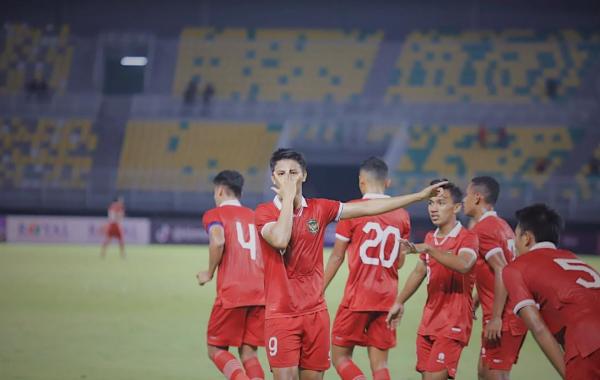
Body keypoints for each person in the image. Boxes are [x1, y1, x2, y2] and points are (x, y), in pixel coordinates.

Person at [254, 148, 447, 380]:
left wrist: (417, 196)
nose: (288, 179)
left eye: (293, 173)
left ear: (304, 175)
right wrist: (287, 201)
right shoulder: (264, 212)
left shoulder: (320, 208)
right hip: (282, 316)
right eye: (281, 174)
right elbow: (280, 238)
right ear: (273, 178)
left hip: (316, 314)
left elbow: (367, 208)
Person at [323, 157, 411, 380]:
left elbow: (336, 257)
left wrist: (318, 289)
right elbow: (399, 262)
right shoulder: (402, 215)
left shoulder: (352, 209)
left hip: (358, 297)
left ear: (361, 182)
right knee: (380, 365)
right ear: (387, 183)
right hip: (387, 299)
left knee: (340, 357)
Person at [387, 180, 479, 380]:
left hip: (453, 323)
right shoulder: (431, 237)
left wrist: (428, 249)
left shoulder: (467, 238)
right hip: (429, 321)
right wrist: (399, 301)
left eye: (441, 202)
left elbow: (464, 264)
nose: (434, 209)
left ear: (456, 207)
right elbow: (419, 272)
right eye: (430, 203)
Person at [503, 204, 600, 380]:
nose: (515, 244)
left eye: (515, 237)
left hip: (588, 341)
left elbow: (537, 327)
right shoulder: (571, 257)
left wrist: (569, 375)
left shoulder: (516, 268)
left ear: (526, 238)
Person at [197, 170, 265, 380]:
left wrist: (209, 272)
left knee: (216, 349)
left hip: (233, 291)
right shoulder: (255, 216)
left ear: (220, 191)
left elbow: (217, 240)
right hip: (261, 292)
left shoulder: (214, 214)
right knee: (248, 352)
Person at [463, 176, 527, 380]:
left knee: (493, 374)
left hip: (504, 316)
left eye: (467, 195)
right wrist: (476, 300)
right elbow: (499, 269)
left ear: (477, 197)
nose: (464, 200)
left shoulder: (484, 229)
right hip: (506, 312)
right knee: (484, 372)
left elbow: (502, 270)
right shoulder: (502, 226)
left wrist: (497, 317)